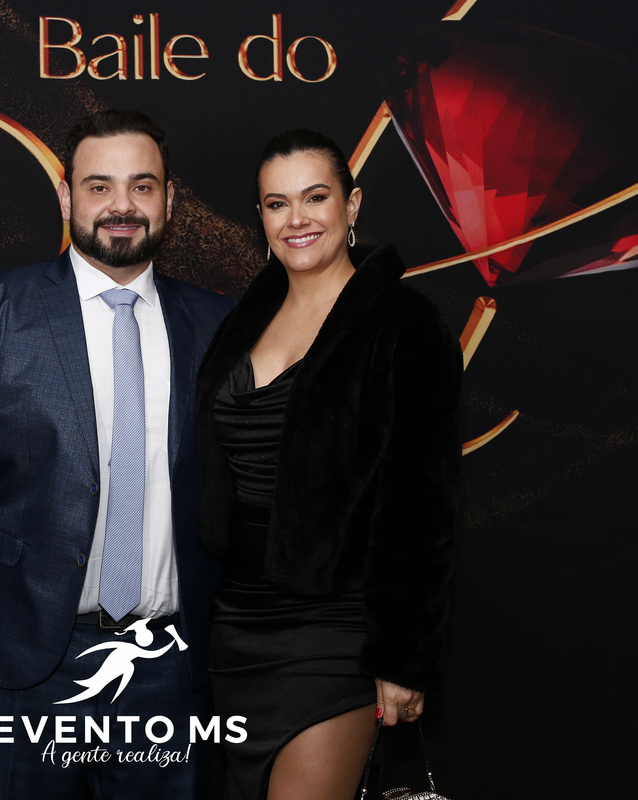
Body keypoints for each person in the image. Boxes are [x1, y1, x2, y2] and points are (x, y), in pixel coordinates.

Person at [0, 109, 235, 800]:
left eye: (142, 186)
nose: (122, 206)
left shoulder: (216, 322)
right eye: (99, 186)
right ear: (66, 197)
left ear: (170, 200)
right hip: (21, 658)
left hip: (169, 666)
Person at [195, 129, 462, 800]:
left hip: (339, 629)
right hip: (236, 627)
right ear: (261, 217)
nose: (297, 218)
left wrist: (402, 654)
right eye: (277, 203)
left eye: (315, 197)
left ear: (353, 204)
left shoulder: (405, 323)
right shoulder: (241, 321)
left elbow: (422, 505)